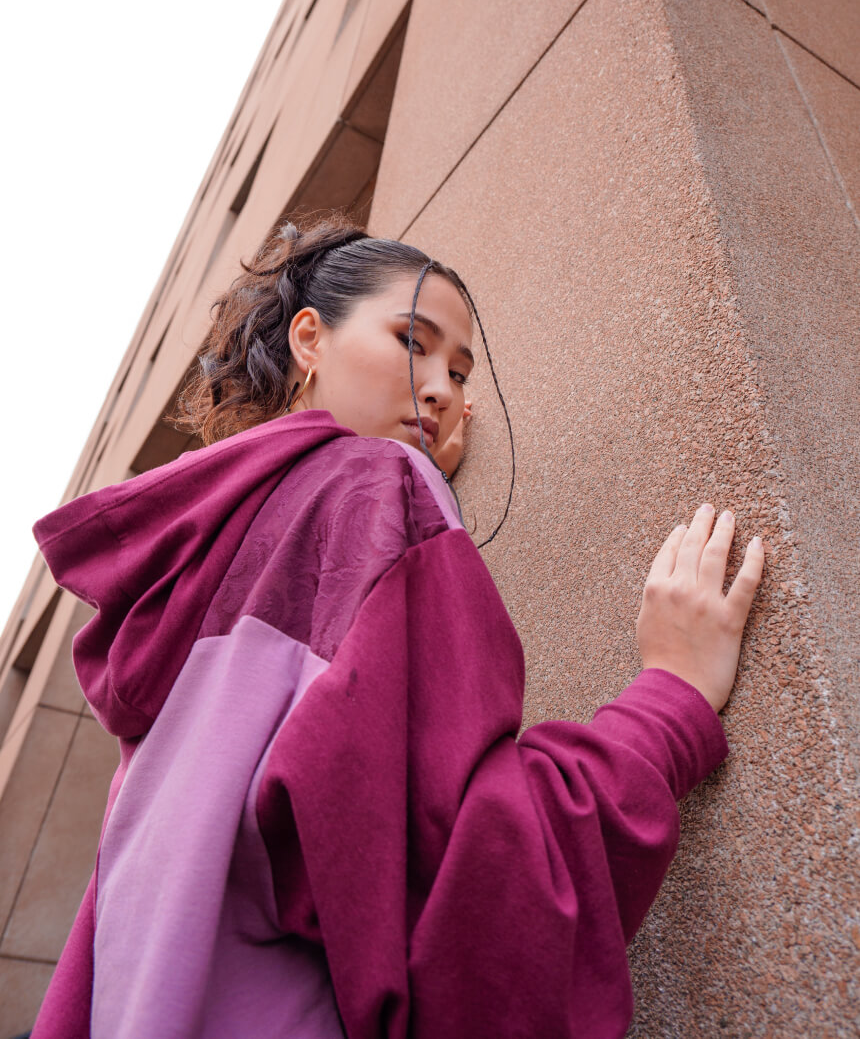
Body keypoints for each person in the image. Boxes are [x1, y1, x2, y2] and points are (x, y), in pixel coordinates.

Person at [30, 217, 764, 1039]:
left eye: (458, 368)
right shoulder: (375, 486)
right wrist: (670, 700)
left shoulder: (209, 556)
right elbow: (466, 867)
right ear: (311, 338)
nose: (444, 386)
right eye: (412, 341)